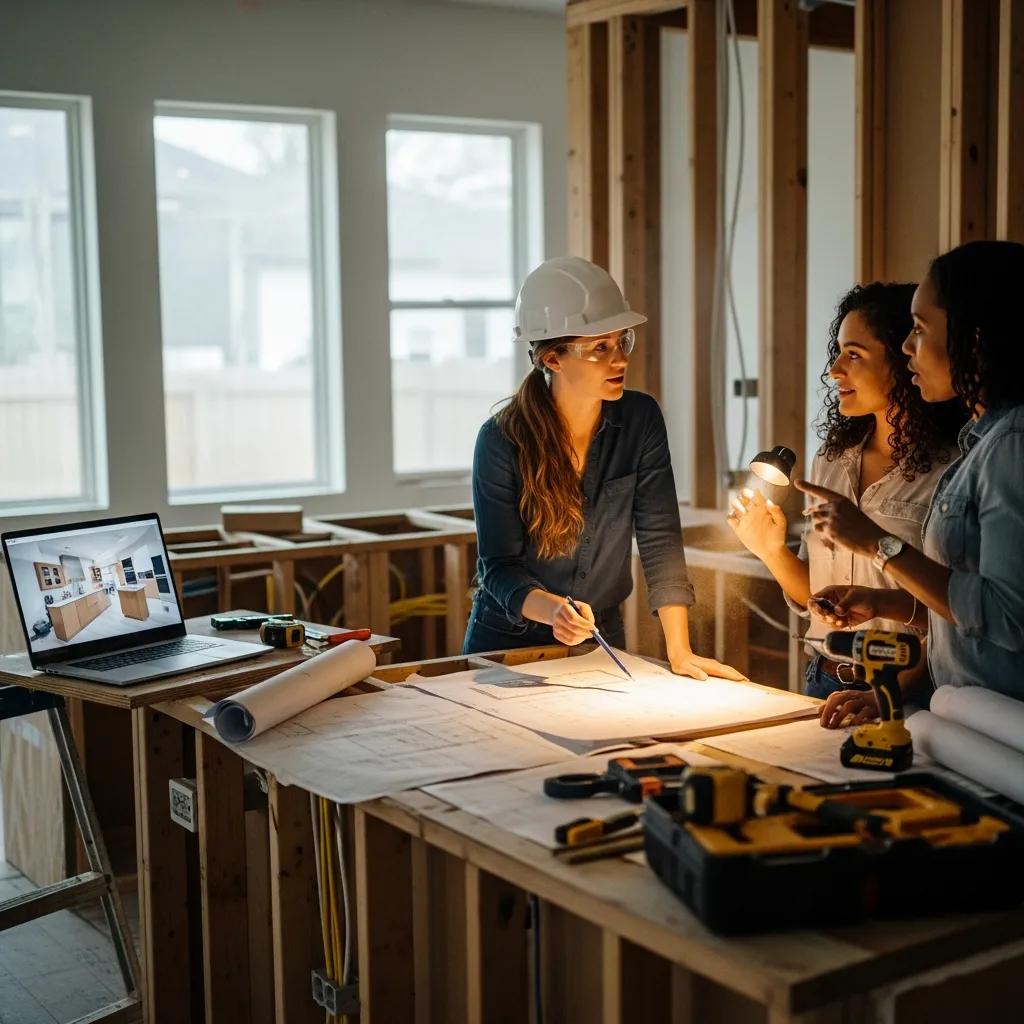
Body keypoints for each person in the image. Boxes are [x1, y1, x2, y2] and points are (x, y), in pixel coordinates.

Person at [463, 255, 743, 681]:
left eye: (622, 341)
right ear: (553, 359)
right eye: (599, 348)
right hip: (508, 639)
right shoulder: (501, 440)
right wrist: (554, 609)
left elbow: (660, 539)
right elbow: (498, 568)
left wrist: (680, 652)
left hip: (600, 637)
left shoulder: (641, 419)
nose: (620, 360)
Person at [800, 241, 1024, 724]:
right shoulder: (980, 444)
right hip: (959, 716)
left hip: (995, 728)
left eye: (919, 330)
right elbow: (963, 617)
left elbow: (1008, 619)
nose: (907, 348)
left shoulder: (1011, 445)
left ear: (975, 340)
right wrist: (888, 602)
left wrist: (877, 543)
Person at [726, 283, 965, 702]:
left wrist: (885, 697)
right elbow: (813, 596)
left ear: (903, 357)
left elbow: (960, 616)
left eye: (854, 355)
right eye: (838, 351)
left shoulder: (953, 470)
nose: (835, 369)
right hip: (824, 679)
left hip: (906, 692)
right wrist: (771, 551)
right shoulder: (832, 461)